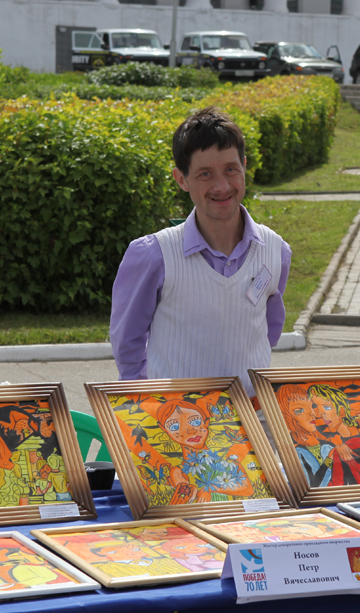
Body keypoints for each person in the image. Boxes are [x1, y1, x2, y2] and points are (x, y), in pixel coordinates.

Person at [109, 107, 292, 398]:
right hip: (177, 419)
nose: (222, 186)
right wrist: (147, 405)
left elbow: (268, 332)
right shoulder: (154, 257)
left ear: (244, 166)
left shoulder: (276, 251)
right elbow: (127, 346)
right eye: (205, 174)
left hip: (253, 419)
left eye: (231, 169)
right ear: (181, 179)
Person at [308, 384, 360, 486]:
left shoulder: (341, 451)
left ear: (342, 411)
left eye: (326, 407)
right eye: (316, 407)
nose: (320, 413)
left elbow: (337, 486)